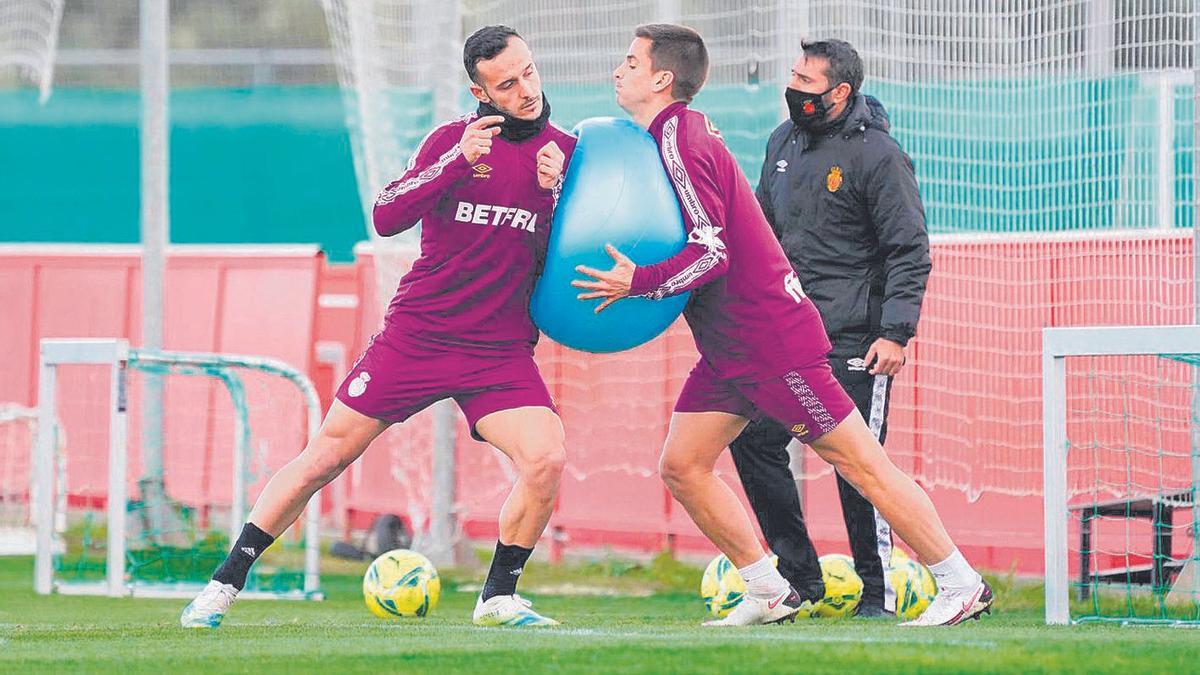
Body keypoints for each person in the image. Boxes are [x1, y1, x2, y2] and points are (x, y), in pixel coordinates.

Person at [574, 23, 991, 627]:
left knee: (861, 464)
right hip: (729, 346)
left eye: (631, 62)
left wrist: (636, 281)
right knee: (683, 465)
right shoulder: (668, 137)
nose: (619, 71)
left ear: (663, 79)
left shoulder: (680, 140)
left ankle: (960, 582)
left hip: (769, 339)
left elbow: (711, 250)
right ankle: (769, 588)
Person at [181, 24, 575, 629]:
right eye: (507, 83)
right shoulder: (451, 142)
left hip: (498, 352)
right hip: (417, 337)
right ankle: (223, 584)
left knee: (546, 458)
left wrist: (557, 193)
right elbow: (387, 215)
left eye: (529, 72)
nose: (526, 89)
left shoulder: (565, 155)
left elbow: (563, 259)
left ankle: (498, 596)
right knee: (324, 456)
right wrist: (454, 164)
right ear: (480, 91)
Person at [728, 39, 932, 618]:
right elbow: (763, 232)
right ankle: (799, 581)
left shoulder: (878, 155)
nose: (794, 90)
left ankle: (878, 593)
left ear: (839, 92)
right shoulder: (782, 142)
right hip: (789, 333)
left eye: (806, 82)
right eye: (792, 78)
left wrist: (895, 332)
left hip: (857, 339)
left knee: (857, 464)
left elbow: (908, 249)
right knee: (754, 440)